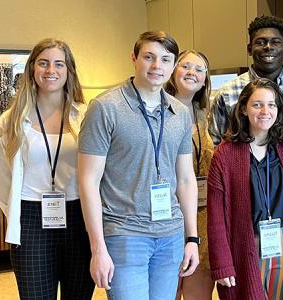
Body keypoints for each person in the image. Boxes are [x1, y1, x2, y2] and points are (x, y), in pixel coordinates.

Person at [78, 31, 199, 300]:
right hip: (124, 235)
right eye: (149, 57)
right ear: (134, 58)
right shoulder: (105, 108)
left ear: (173, 65)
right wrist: (98, 248)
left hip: (170, 235)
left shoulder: (179, 113)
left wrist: (192, 238)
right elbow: (88, 181)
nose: (157, 66)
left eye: (166, 60)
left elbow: (186, 180)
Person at [0, 38, 94, 299]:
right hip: (31, 221)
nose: (51, 70)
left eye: (59, 64)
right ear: (32, 69)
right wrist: (17, 211)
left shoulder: (85, 116)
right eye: (44, 63)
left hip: (80, 217)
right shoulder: (12, 119)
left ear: (69, 70)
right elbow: (0, 177)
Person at [207, 78, 283, 300]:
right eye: (257, 104)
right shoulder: (225, 154)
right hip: (245, 243)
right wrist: (221, 262)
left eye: (272, 104)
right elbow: (216, 215)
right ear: (244, 109)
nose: (265, 111)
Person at [208, 15, 283, 202]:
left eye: (275, 42)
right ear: (249, 48)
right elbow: (215, 146)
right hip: (243, 196)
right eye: (260, 42)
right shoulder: (227, 94)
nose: (268, 47)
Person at [165, 50, 215, 300]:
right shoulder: (157, 109)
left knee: (199, 291)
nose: (191, 73)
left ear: (206, 79)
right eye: (185, 66)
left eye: (199, 69)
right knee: (166, 288)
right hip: (167, 213)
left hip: (203, 215)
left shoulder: (207, 115)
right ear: (173, 70)